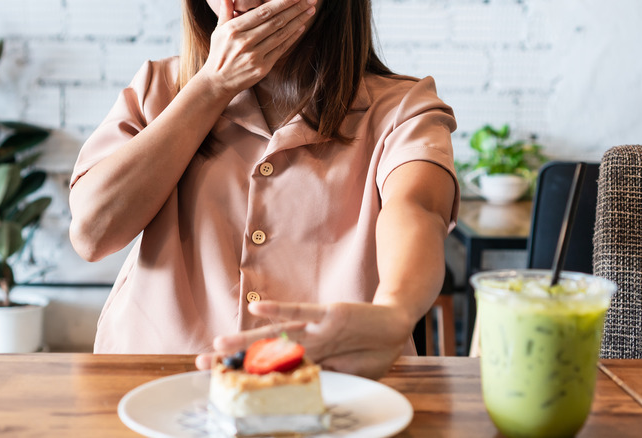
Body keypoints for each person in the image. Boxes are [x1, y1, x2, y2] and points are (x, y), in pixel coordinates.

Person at [69, 0, 458, 380]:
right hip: (150, 385)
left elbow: (418, 208)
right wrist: (211, 86)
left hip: (333, 391)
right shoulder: (159, 87)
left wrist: (394, 311)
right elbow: (92, 234)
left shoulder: (403, 109)